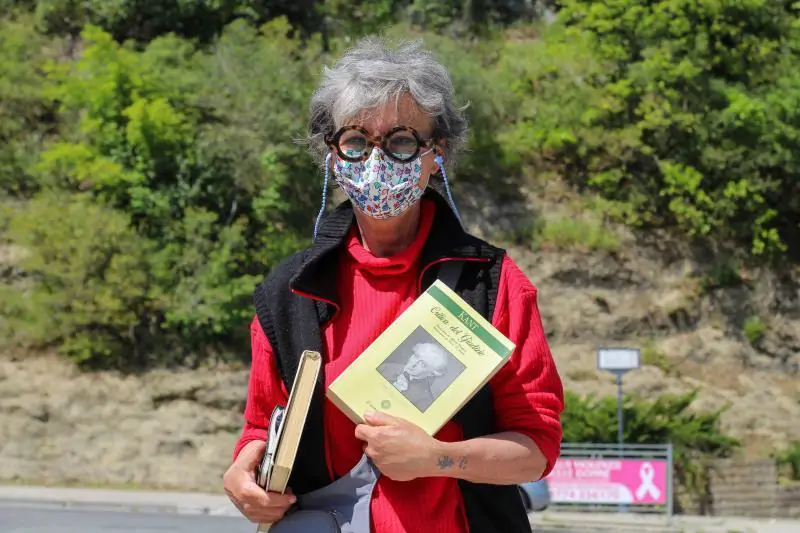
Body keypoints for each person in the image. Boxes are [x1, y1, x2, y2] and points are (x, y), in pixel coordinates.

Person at [223, 36, 564, 533]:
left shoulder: (491, 284)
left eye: (402, 141)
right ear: (332, 154)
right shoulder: (289, 292)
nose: (376, 161)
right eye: (356, 141)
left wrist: (439, 458)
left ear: (436, 154)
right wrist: (245, 473)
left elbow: (536, 450)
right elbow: (262, 424)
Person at [381, 341, 452, 412]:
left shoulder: (425, 401)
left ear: (432, 373)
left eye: (423, 364)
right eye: (416, 356)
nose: (413, 364)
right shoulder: (386, 367)